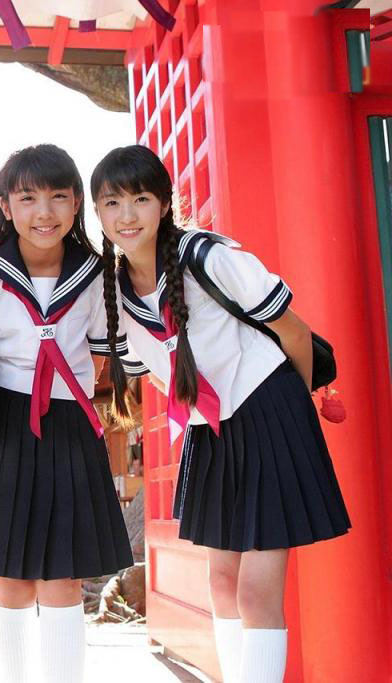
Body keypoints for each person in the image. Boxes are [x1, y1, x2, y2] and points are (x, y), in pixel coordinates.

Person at [93, 144, 350, 682]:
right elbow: (155, 372)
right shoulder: (113, 293)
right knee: (221, 583)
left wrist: (294, 412)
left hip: (268, 407)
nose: (127, 215)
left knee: (256, 592)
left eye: (141, 199)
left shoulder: (209, 257)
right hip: (211, 430)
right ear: (98, 212)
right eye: (112, 203)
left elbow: (294, 332)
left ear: (165, 204)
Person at [0, 144, 133, 682]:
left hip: (70, 426)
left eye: (58, 197)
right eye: (27, 198)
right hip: (3, 425)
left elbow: (105, 354)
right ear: (6, 205)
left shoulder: (95, 274)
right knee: (11, 576)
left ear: (77, 204)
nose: (43, 212)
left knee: (64, 577)